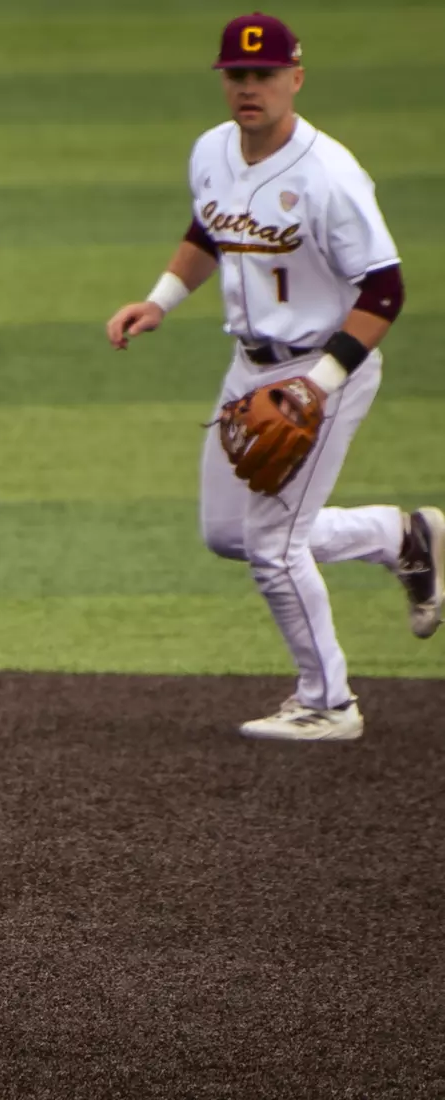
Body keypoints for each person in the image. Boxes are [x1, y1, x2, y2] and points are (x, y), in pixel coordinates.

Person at [105, 12, 441, 741]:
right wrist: (159, 301)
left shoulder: (329, 175)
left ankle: (330, 703)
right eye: (237, 76)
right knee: (230, 532)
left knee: (274, 547)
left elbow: (385, 291)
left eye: (263, 75)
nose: (249, 88)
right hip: (247, 367)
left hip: (326, 368)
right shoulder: (213, 151)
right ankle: (403, 535)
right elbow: (209, 229)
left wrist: (316, 385)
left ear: (296, 77)